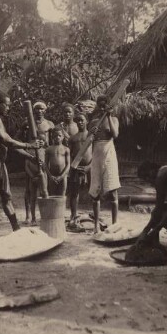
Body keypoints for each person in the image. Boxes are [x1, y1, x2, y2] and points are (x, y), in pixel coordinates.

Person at [0, 92, 43, 244]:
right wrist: (29, 145)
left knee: (7, 198)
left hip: (0, 162)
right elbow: (6, 140)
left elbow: (9, 144)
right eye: (6, 104)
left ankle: (17, 230)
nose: (8, 108)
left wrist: (30, 156)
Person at [88, 95, 121, 234]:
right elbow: (88, 141)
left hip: (109, 153)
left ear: (109, 106)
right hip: (96, 155)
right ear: (97, 106)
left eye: (105, 105)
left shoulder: (113, 119)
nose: (102, 107)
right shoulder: (93, 122)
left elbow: (115, 134)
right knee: (95, 191)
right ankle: (96, 225)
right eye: (100, 105)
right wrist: (91, 134)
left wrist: (108, 116)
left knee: (113, 190)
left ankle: (114, 224)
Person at [21, 101, 54, 225]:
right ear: (33, 111)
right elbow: (19, 138)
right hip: (30, 154)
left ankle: (45, 215)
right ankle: (29, 215)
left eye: (42, 109)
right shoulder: (27, 123)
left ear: (45, 110)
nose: (39, 111)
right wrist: (27, 147)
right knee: (29, 187)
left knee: (44, 187)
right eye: (37, 109)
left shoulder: (49, 124)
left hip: (43, 154)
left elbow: (51, 142)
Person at [67, 113, 92, 229]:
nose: (80, 123)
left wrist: (90, 166)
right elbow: (70, 154)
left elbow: (96, 153)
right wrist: (73, 166)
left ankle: (95, 215)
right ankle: (73, 215)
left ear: (86, 121)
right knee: (74, 192)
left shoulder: (91, 136)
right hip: (76, 168)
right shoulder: (73, 138)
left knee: (94, 191)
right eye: (78, 121)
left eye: (82, 120)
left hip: (90, 167)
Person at [45, 127, 70, 196]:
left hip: (63, 176)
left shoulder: (66, 149)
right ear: (52, 136)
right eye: (55, 136)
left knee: (62, 195)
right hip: (52, 176)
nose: (57, 137)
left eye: (59, 135)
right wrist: (50, 176)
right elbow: (45, 164)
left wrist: (62, 176)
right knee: (52, 195)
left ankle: (62, 207)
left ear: (63, 137)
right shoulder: (49, 149)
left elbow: (68, 164)